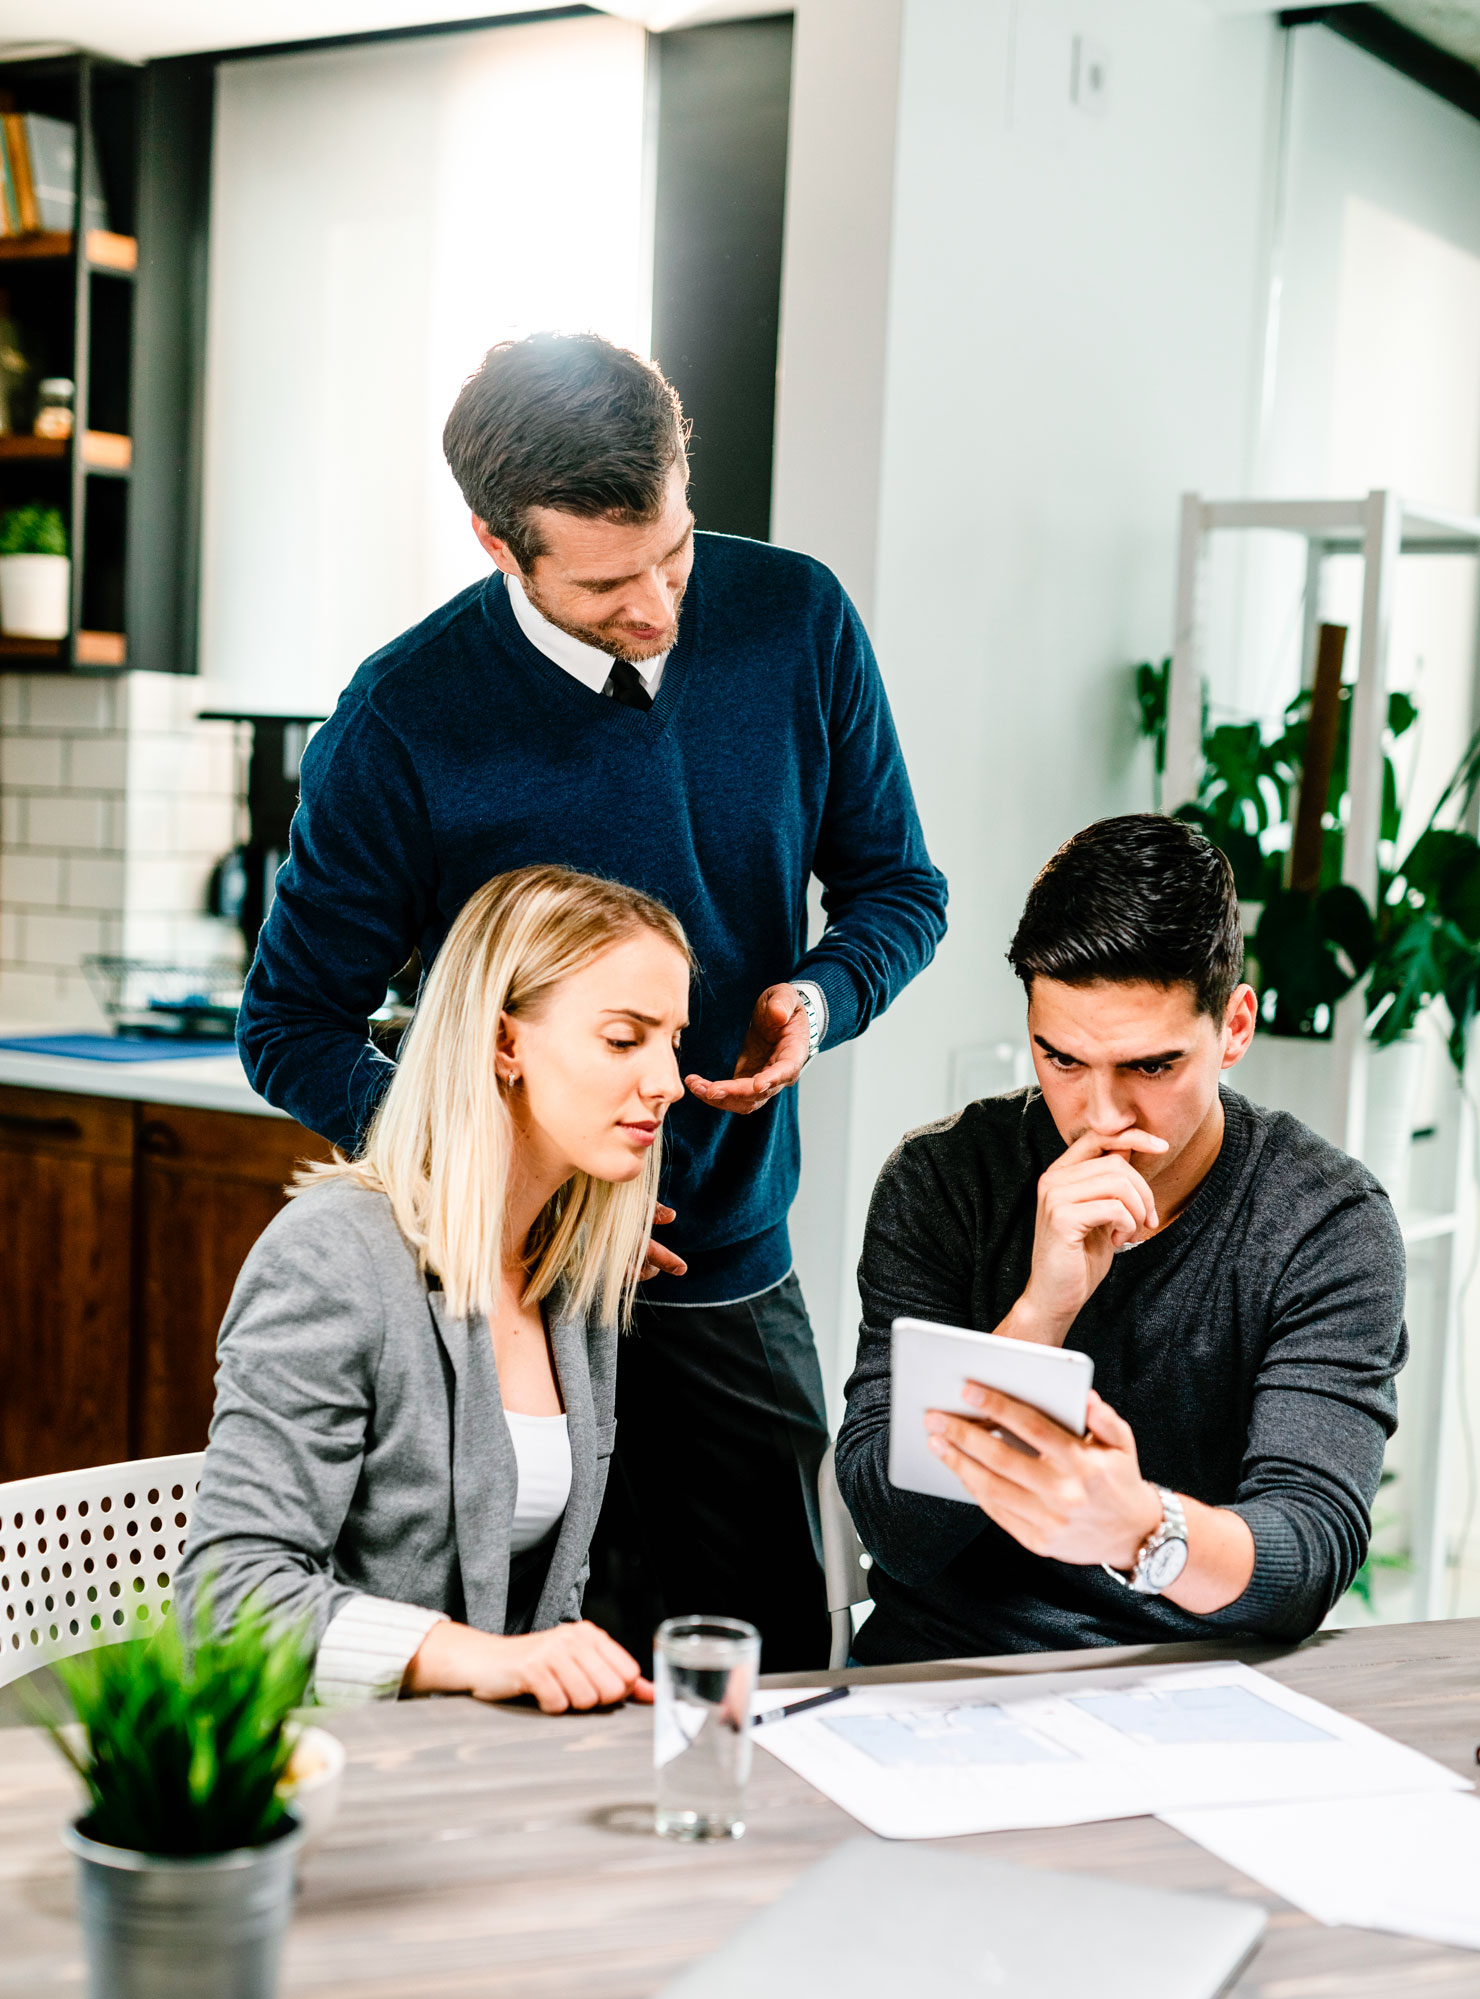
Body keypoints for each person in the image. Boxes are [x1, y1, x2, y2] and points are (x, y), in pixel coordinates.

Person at [236, 332, 947, 1671]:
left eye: (675, 550)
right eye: (611, 581)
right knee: (529, 1670)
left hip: (729, 1270)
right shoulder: (401, 721)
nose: (663, 602)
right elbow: (288, 1027)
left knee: (778, 1671)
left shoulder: (797, 617)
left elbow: (900, 887)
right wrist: (509, 1180)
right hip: (513, 1296)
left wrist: (820, 993)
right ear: (499, 545)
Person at [834, 813, 1407, 1664]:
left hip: (1199, 1686)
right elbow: (896, 1528)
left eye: (1150, 1066)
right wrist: (1040, 1314)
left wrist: (1143, 1527)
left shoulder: (1326, 1222)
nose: (1101, 1116)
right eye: (1062, 1059)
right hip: (946, 1670)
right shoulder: (944, 1182)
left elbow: (1307, 1557)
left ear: (1235, 1028)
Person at [180, 865, 691, 1712]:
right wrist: (477, 1659)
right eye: (623, 1038)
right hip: (328, 1769)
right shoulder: (332, 1258)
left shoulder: (571, 1276)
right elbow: (229, 1603)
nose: (667, 1080)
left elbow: (548, 1602)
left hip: (482, 1770)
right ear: (504, 1042)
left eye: (673, 1039)